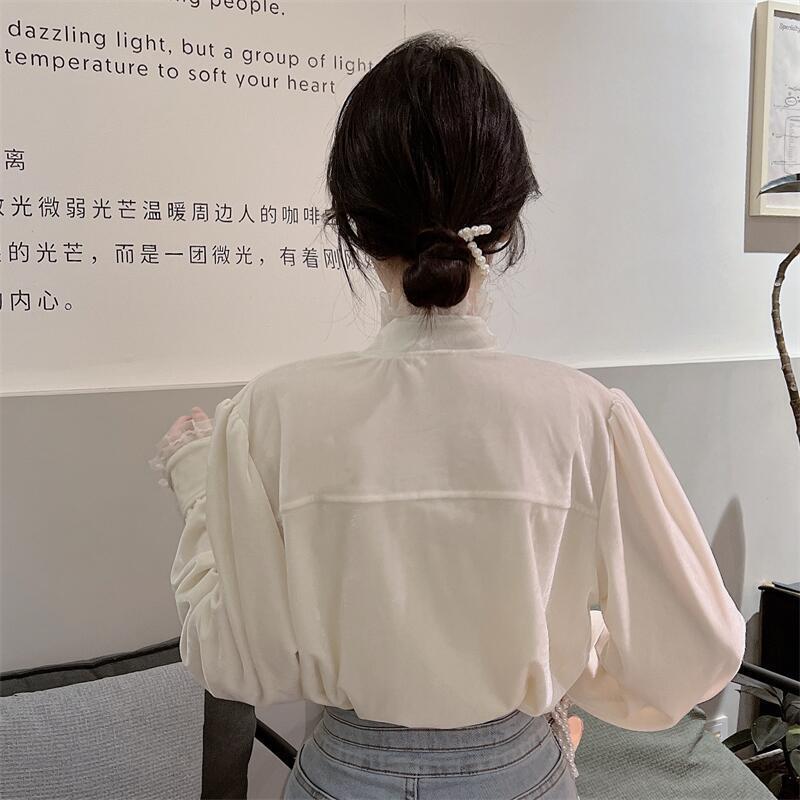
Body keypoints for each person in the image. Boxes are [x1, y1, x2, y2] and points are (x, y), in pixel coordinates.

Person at [149, 31, 745, 800]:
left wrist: (200, 492)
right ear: (507, 223)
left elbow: (233, 661)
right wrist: (562, 661)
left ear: (353, 227)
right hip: (520, 771)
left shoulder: (267, 417)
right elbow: (698, 646)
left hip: (342, 774)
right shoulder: (585, 417)